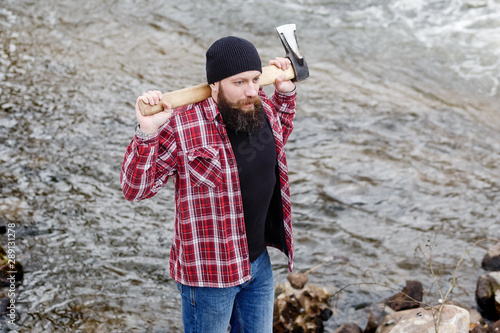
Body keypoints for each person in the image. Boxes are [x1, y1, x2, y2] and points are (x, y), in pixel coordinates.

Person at [121, 36, 297, 332]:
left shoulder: (261, 108)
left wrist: (285, 93)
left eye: (255, 79)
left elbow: (277, 135)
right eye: (239, 83)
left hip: (258, 267)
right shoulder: (182, 126)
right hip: (209, 277)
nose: (252, 90)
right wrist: (148, 132)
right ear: (214, 84)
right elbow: (136, 189)